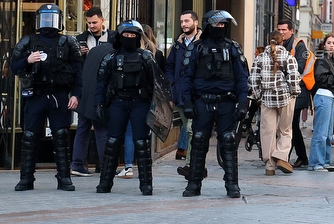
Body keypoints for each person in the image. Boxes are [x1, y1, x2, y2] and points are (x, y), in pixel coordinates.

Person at [10, 4, 84, 192]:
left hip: (59, 95)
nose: (48, 23)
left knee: (61, 135)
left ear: (59, 21)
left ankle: (64, 178)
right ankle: (26, 178)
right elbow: (13, 67)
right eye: (44, 19)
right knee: (30, 136)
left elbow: (78, 72)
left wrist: (76, 94)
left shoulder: (68, 43)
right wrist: (27, 61)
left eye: (52, 19)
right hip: (36, 95)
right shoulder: (28, 41)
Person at [180, 10, 250, 198]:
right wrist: (187, 101)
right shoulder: (197, 49)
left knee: (228, 141)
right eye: (216, 24)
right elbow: (186, 77)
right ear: (208, 25)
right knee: (199, 140)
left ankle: (232, 185)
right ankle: (193, 184)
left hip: (226, 102)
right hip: (202, 101)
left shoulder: (233, 48)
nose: (220, 28)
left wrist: (242, 103)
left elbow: (243, 78)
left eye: (223, 25)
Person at [93, 21, 159, 195]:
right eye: (126, 35)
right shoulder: (111, 58)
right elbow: (101, 83)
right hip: (118, 102)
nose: (129, 38)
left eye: (133, 36)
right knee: (113, 142)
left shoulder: (145, 57)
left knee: (141, 143)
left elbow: (157, 84)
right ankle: (105, 183)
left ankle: (146, 185)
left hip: (140, 103)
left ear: (138, 38)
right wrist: (98, 104)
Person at [248, 32, 301, 175]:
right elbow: (294, 78)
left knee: (267, 132)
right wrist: (295, 92)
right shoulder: (289, 57)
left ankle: (269, 166)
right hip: (285, 97)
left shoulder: (259, 58)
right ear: (282, 42)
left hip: (267, 97)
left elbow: (253, 80)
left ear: (267, 41)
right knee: (285, 130)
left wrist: (259, 96)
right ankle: (281, 156)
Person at [70, 7, 114, 176]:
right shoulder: (80, 39)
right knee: (84, 127)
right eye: (89, 23)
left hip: (104, 88)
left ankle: (103, 165)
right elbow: (74, 65)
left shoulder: (113, 37)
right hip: (85, 87)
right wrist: (80, 55)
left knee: (102, 128)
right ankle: (78, 164)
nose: (92, 26)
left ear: (103, 20)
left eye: (95, 22)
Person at [166, 11, 201, 167]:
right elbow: (169, 66)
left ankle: (191, 164)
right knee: (188, 130)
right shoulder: (178, 44)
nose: (184, 24)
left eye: (187, 21)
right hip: (180, 94)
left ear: (196, 22)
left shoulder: (203, 42)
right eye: (181, 22)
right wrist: (172, 85)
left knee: (192, 129)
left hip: (196, 95)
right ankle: (193, 162)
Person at [279, 20, 314, 168]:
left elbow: (299, 67)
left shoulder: (298, 45)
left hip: (299, 90)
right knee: (289, 124)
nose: (281, 32)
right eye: (279, 30)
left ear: (291, 31)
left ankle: (286, 157)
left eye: (284, 30)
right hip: (285, 90)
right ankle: (298, 156)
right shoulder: (278, 44)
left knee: (291, 123)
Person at [310, 34, 334, 171]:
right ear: (324, 45)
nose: (331, 45)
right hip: (323, 96)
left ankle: (325, 161)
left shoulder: (332, 60)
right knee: (321, 132)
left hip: (329, 97)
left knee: (328, 133)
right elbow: (320, 77)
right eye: (329, 42)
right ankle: (317, 163)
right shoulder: (322, 59)